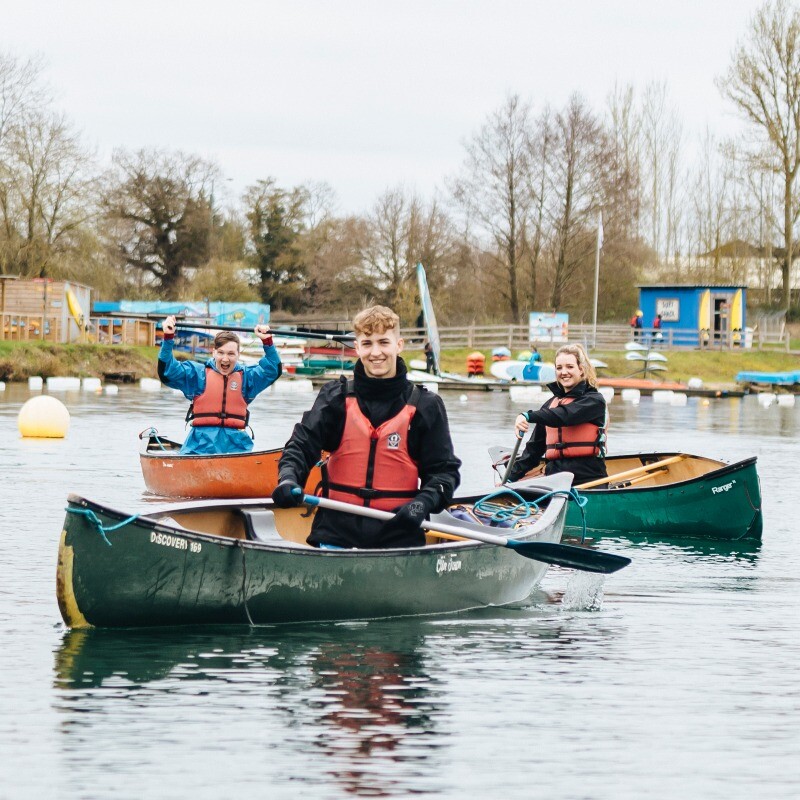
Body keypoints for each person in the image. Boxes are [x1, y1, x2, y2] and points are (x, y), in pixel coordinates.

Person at [271, 305, 461, 549]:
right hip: (335, 535)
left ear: (399, 345)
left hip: (398, 538)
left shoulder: (426, 406)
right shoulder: (335, 398)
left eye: (384, 342)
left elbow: (445, 474)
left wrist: (420, 504)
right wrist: (288, 479)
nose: (376, 352)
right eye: (367, 343)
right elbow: (300, 446)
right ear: (357, 347)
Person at [158, 315, 282, 454]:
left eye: (231, 354)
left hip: (236, 447)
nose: (225, 359)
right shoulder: (197, 375)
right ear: (214, 353)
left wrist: (267, 341)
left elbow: (273, 369)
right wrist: (168, 337)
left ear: (238, 355)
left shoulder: (247, 377)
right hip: (199, 447)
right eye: (221, 353)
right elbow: (167, 371)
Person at [505, 342, 608, 486]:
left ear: (581, 370)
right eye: (559, 368)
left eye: (570, 367)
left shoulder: (594, 401)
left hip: (588, 480)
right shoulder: (550, 405)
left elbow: (565, 415)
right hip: (555, 481)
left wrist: (527, 416)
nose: (563, 372)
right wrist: (510, 478)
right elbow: (534, 450)